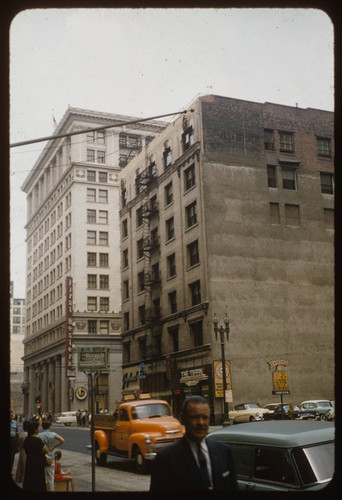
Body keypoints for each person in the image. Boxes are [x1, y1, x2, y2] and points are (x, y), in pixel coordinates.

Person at [150, 395, 238, 492]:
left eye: (205, 418)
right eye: (195, 417)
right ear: (183, 418)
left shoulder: (224, 451)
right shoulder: (166, 458)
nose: (201, 423)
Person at [38, 420, 65, 491]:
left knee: (41, 476)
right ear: (50, 426)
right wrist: (54, 446)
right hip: (50, 457)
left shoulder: (39, 435)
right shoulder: (53, 434)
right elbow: (62, 440)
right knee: (50, 477)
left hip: (42, 456)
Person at [23, 421, 49, 492]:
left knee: (30, 479)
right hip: (38, 464)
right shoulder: (37, 440)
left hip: (29, 462)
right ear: (35, 430)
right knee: (39, 482)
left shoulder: (27, 439)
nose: (39, 429)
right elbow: (46, 450)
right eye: (38, 428)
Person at [15, 420, 30, 486]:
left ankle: (20, 478)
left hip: (22, 451)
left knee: (21, 466)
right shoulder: (27, 435)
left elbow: (19, 444)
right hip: (26, 451)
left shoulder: (21, 434)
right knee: (25, 466)